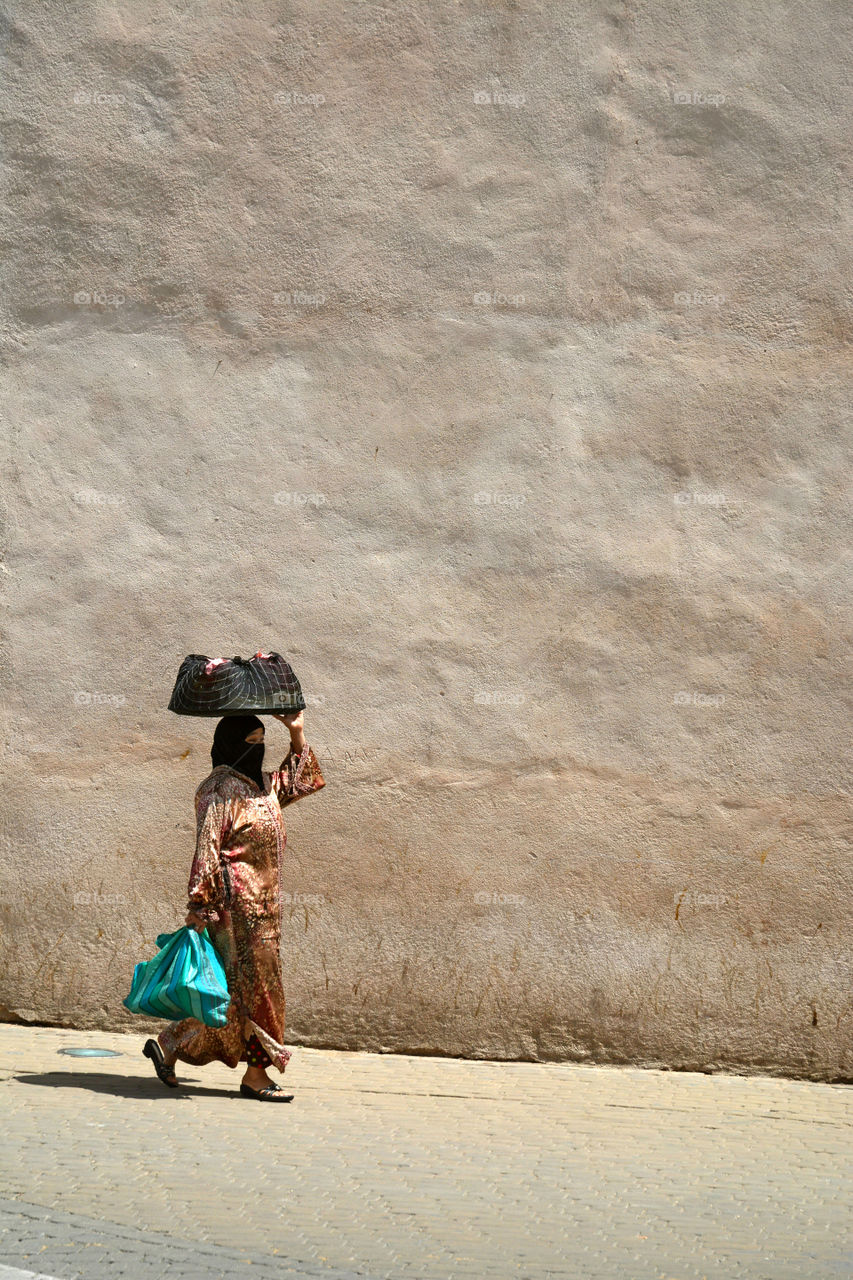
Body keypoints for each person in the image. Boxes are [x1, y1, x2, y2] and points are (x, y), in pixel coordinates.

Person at [143, 710, 325, 1101]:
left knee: (231, 996)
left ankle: (170, 1044)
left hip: (266, 912)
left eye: (262, 741)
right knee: (262, 992)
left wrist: (295, 732)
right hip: (235, 913)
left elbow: (302, 781)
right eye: (250, 742)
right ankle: (256, 1075)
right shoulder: (218, 790)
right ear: (228, 744)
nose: (257, 749)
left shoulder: (261, 785)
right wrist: (201, 906)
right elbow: (207, 850)